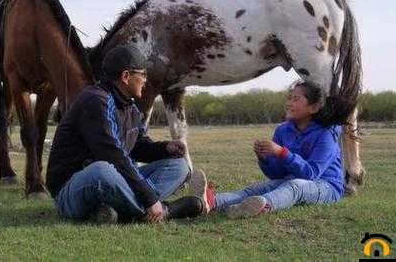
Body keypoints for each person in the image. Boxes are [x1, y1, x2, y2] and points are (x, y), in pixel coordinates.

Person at [46, 44, 205, 223]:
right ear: (126, 76)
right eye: (143, 74)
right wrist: (150, 198)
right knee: (102, 170)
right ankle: (165, 210)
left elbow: (136, 146)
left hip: (112, 182)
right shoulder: (96, 101)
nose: (146, 79)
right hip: (72, 188)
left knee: (179, 166)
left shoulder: (130, 107)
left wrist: (165, 148)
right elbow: (112, 154)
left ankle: (119, 209)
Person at [191, 80, 345, 218]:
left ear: (313, 107)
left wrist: (282, 153)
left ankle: (263, 205)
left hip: (327, 186)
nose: (289, 103)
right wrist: (264, 158)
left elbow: (311, 174)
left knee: (295, 187)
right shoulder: (283, 130)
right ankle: (211, 201)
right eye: (289, 98)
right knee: (256, 189)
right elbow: (276, 174)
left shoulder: (327, 133)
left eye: (296, 99)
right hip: (291, 179)